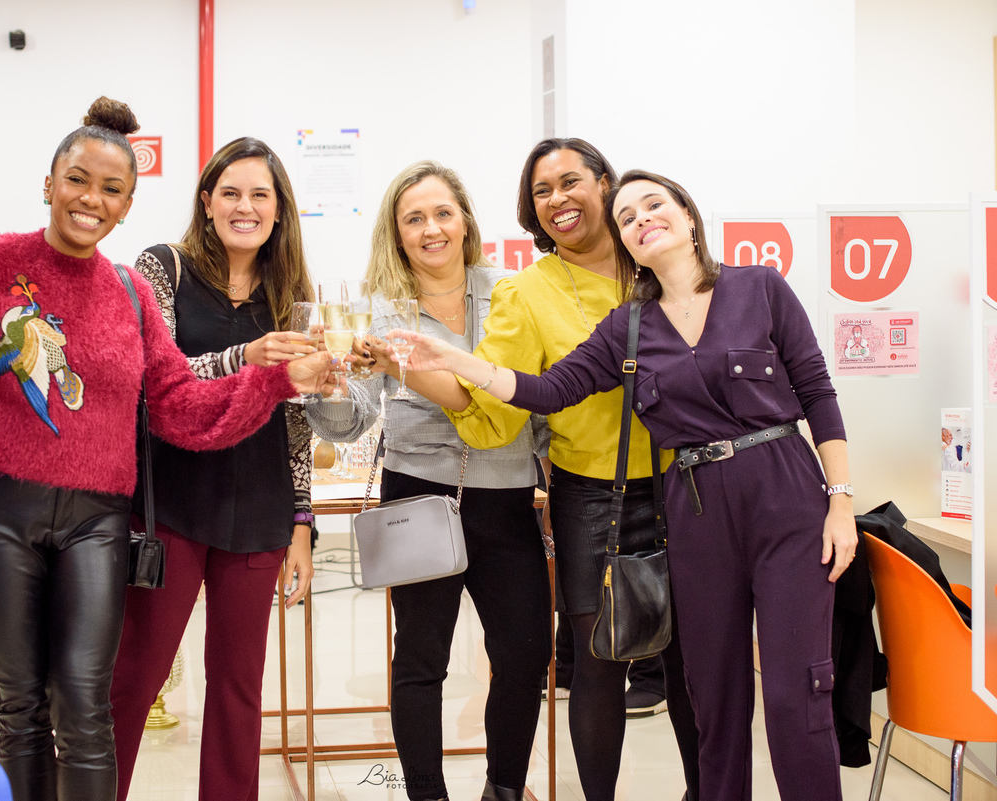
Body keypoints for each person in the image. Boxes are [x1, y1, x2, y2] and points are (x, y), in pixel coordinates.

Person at [0, 98, 331, 801]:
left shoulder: (130, 294)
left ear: (128, 205)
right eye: (78, 180)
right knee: (22, 704)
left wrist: (277, 378)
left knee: (87, 703)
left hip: (99, 520)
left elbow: (183, 411)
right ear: (49, 183)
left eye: (111, 190)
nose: (90, 200)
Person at [395, 169, 857, 801]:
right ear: (626, 243)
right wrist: (453, 359)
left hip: (787, 498)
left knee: (792, 689)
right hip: (694, 510)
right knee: (713, 693)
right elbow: (547, 390)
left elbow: (817, 392)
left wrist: (841, 501)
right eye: (629, 218)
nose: (643, 220)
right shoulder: (629, 328)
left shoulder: (761, 289)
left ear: (688, 215)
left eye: (654, 205)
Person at [392, 140, 700, 801]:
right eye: (541, 191)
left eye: (570, 182)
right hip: (592, 494)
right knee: (590, 665)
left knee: (694, 659)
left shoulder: (659, 265)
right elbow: (500, 405)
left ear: (604, 185)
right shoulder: (525, 293)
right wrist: (425, 371)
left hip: (689, 482)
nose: (558, 198)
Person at [305, 161, 552, 801]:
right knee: (420, 660)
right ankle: (426, 794)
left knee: (525, 656)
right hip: (418, 498)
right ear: (397, 232)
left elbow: (542, 398)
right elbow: (352, 419)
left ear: (466, 220)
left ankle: (503, 788)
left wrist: (552, 477)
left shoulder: (514, 294)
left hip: (507, 502)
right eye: (414, 218)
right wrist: (327, 385)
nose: (431, 229)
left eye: (442, 213)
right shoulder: (378, 313)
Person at [109, 137, 321, 801]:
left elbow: (296, 417)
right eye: (230, 192)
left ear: (280, 210)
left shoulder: (293, 293)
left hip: (259, 506)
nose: (245, 206)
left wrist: (302, 520)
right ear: (206, 201)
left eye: (261, 194)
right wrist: (249, 357)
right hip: (168, 503)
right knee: (133, 678)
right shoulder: (162, 268)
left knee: (238, 689)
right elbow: (155, 379)